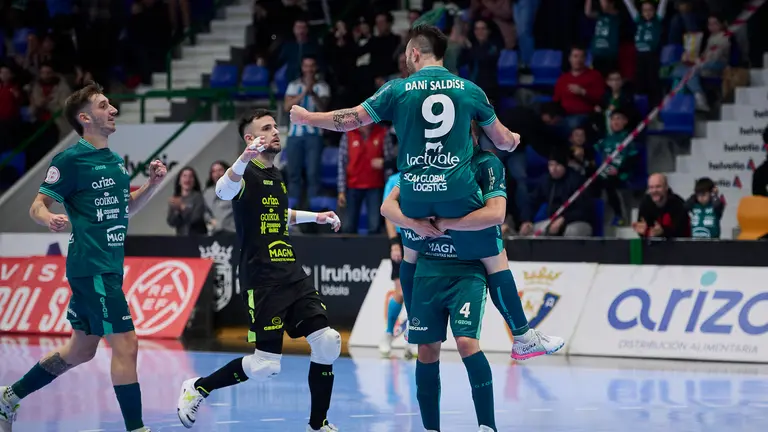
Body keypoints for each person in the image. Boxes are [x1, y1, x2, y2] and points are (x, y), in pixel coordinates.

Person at [290, 25, 561, 360]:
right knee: (494, 258)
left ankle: (415, 323)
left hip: (414, 194)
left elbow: (351, 120)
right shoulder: (469, 89)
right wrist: (515, 139)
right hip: (457, 193)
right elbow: (503, 142)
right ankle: (522, 335)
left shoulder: (397, 89)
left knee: (411, 253)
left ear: (415, 53)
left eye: (406, 52)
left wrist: (308, 117)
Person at [0, 82, 167, 432]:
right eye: (104, 105)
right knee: (127, 344)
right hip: (93, 267)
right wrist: (49, 218)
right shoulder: (70, 160)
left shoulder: (115, 162)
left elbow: (126, 209)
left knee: (81, 350)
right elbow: (37, 205)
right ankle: (136, 428)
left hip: (107, 265)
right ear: (85, 118)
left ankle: (8, 397)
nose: (113, 109)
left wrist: (151, 185)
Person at [176, 109, 342, 432]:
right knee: (266, 365)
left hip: (291, 273)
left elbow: (280, 213)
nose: (275, 131)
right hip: (262, 279)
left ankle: (317, 424)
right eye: (266, 128)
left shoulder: (275, 175)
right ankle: (198, 387)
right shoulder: (243, 173)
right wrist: (242, 158)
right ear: (250, 138)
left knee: (328, 341)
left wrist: (316, 217)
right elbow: (223, 190)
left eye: (275, 126)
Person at [380, 148, 521, 432]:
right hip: (427, 269)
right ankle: (431, 428)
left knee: (466, 342)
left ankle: (487, 426)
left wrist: (448, 224)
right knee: (426, 350)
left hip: (467, 269)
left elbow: (496, 213)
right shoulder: (419, 167)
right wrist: (411, 224)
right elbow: (387, 207)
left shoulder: (480, 166)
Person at [379, 171, 416, 359]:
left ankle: (412, 339)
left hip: (421, 236)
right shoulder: (394, 180)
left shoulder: (427, 175)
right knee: (401, 291)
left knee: (417, 294)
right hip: (401, 238)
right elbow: (387, 214)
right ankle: (388, 334)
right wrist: (394, 242)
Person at [633, 173, 691, 238]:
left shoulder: (678, 204)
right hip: (654, 242)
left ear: (666, 187)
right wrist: (644, 232)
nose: (654, 190)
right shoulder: (645, 203)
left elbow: (681, 232)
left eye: (658, 187)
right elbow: (644, 230)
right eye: (651, 187)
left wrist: (663, 232)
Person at [167, 166, 207, 236]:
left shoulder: (199, 197)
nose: (187, 179)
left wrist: (182, 208)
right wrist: (176, 211)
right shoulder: (176, 199)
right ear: (179, 181)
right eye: (184, 176)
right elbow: (171, 222)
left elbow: (196, 218)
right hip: (181, 237)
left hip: (197, 236)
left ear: (194, 181)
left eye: (190, 176)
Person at [203, 161, 235, 234]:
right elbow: (205, 212)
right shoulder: (207, 193)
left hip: (235, 230)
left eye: (220, 170)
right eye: (214, 171)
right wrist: (211, 221)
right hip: (218, 232)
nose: (217, 173)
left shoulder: (237, 188)